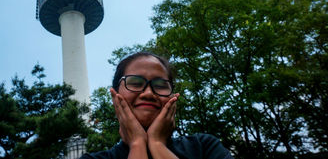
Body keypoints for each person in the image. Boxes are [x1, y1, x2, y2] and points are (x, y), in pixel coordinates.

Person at [80, 52, 233, 159]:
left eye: (160, 85)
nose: (148, 93)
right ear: (115, 96)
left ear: (173, 97)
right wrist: (137, 144)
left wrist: (157, 144)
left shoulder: (204, 147)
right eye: (135, 83)